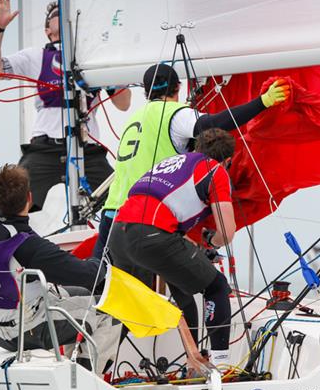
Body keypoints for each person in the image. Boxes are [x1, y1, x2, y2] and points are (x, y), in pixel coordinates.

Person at [93, 63, 289, 258]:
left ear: (146, 92)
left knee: (100, 280)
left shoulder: (136, 118)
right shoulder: (174, 114)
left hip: (112, 212)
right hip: (142, 217)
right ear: (178, 86)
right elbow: (214, 124)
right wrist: (263, 102)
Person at [0, 0, 131, 211]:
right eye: (56, 14)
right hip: (44, 149)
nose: (63, 16)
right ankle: (14, 241)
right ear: (47, 31)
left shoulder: (93, 56)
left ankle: (112, 241)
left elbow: (124, 104)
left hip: (86, 148)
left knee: (124, 199)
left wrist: (109, 69)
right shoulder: (35, 56)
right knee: (13, 198)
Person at [108, 128, 238, 368]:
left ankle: (102, 366)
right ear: (227, 160)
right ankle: (222, 365)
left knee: (171, 297)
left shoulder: (173, 162)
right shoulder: (215, 170)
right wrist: (211, 242)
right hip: (151, 235)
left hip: (118, 233)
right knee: (217, 286)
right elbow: (227, 232)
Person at [0, 164, 117, 369]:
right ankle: (84, 377)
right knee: (111, 311)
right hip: (21, 333)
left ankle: (71, 360)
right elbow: (94, 274)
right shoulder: (30, 247)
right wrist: (105, 235)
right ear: (29, 198)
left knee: (81, 293)